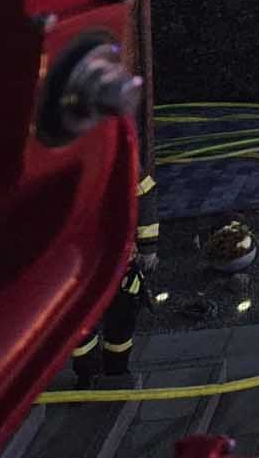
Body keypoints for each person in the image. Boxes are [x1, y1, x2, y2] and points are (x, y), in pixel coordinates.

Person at [72, 158, 159, 387]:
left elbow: (144, 192)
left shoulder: (115, 153)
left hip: (110, 264)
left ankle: (113, 372)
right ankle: (89, 374)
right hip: (83, 267)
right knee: (82, 326)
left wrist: (148, 246)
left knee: (118, 320)